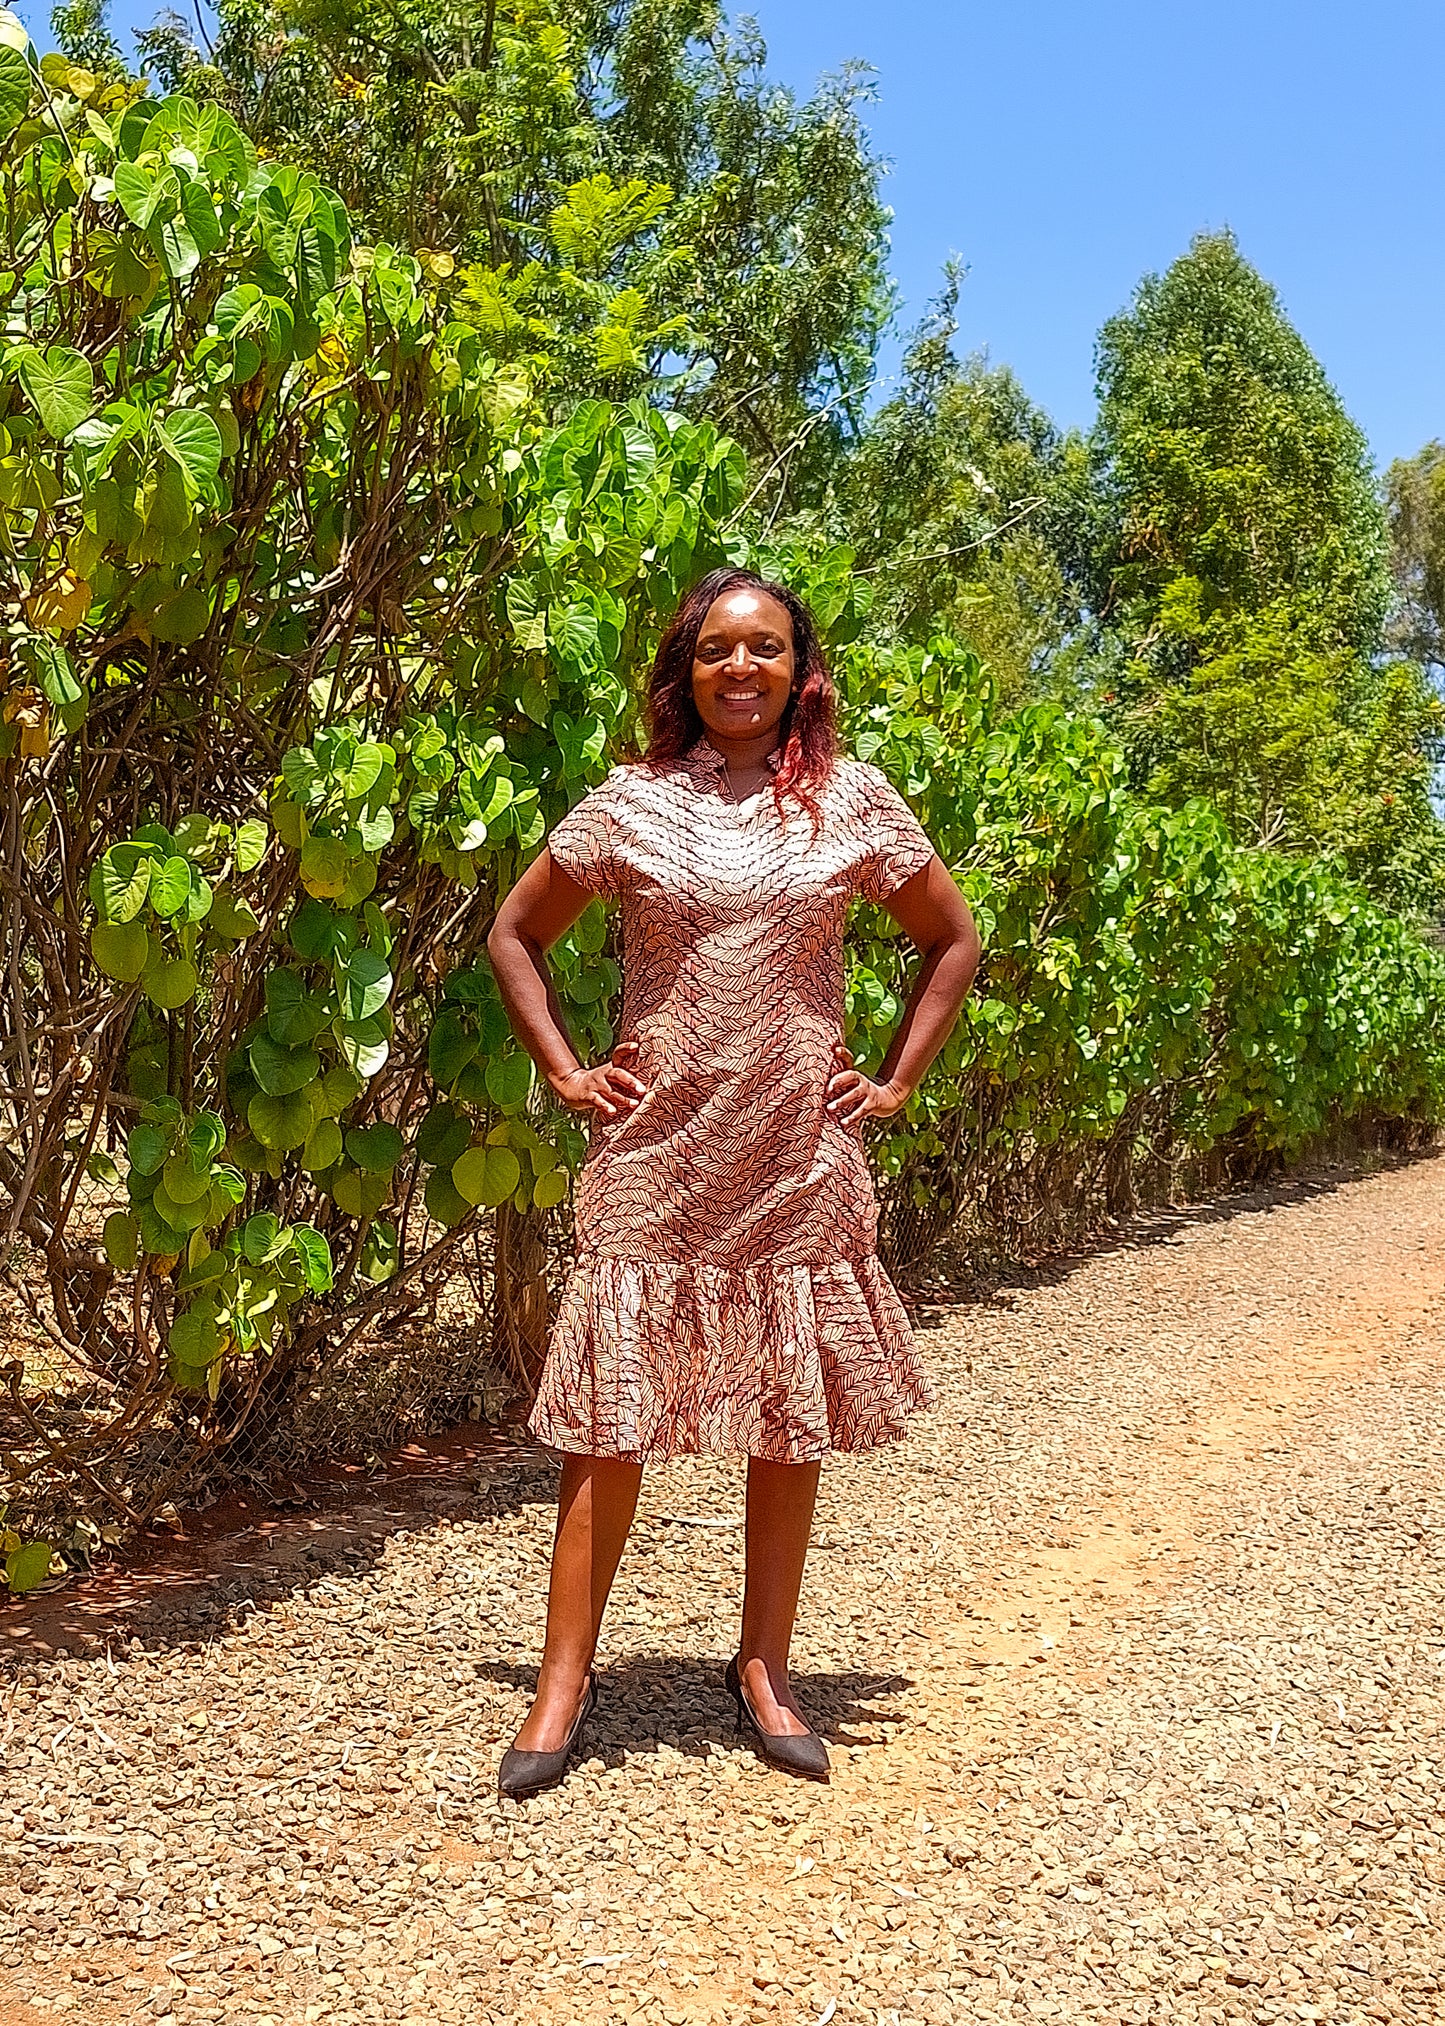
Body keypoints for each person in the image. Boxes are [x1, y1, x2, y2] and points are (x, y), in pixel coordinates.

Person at [485, 568, 980, 1798]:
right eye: (717, 649)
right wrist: (563, 1070)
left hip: (796, 1156)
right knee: (609, 1421)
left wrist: (898, 1083)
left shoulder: (852, 802)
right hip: (657, 1153)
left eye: (764, 647)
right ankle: (564, 1680)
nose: (740, 669)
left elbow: (951, 938)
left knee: (785, 1410)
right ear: (685, 668)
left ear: (797, 667)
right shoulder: (631, 803)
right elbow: (514, 933)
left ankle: (763, 1665)